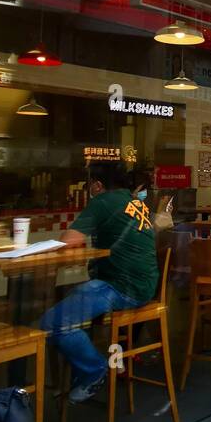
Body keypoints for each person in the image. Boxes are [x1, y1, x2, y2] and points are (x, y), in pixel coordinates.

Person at [39, 161, 159, 402]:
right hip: (145, 284)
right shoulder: (135, 201)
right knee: (74, 300)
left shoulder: (102, 202)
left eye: (88, 184)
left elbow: (68, 241)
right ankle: (81, 371)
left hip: (121, 287)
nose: (87, 188)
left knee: (54, 322)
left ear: (97, 185)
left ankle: (94, 370)